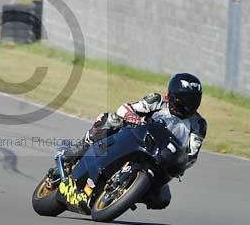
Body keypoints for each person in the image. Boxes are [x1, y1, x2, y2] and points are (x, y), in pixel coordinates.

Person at [57, 73, 207, 210]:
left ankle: (125, 192)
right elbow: (125, 108)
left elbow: (192, 155)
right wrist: (132, 117)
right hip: (134, 139)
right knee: (110, 119)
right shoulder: (157, 101)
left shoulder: (198, 124)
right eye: (184, 100)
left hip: (160, 159)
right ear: (171, 96)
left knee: (162, 199)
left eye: (193, 100)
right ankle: (79, 148)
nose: (188, 105)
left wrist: (180, 164)